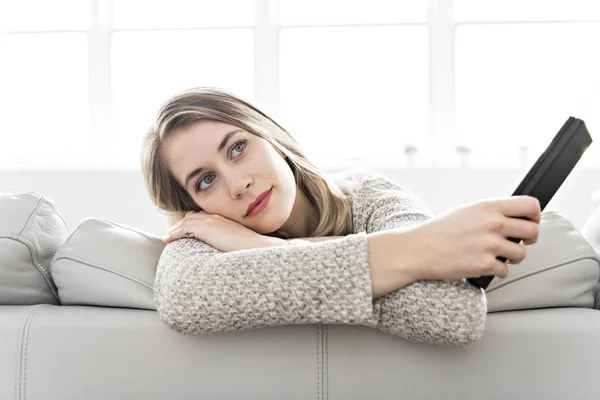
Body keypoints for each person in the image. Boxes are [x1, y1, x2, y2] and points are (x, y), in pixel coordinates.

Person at [140, 86, 541, 347]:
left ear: (274, 141)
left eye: (238, 148)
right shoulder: (200, 235)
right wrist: (416, 249)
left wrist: (265, 250)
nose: (238, 184)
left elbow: (453, 312)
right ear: (194, 204)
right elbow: (184, 297)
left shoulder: (367, 195)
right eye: (206, 180)